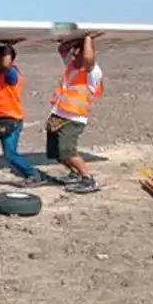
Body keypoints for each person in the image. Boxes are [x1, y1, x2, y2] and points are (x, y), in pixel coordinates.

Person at [0, 43, 48, 188]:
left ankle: (34, 175)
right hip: (0, 119)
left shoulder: (11, 73)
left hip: (10, 120)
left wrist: (7, 47)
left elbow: (6, 65)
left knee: (10, 155)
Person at [45, 33, 104, 194]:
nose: (74, 54)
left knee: (67, 150)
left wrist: (88, 39)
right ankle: (74, 173)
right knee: (56, 151)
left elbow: (89, 60)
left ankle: (88, 178)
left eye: (79, 51)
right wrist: (75, 41)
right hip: (58, 114)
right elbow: (62, 49)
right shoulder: (73, 66)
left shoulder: (93, 71)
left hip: (74, 118)